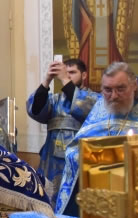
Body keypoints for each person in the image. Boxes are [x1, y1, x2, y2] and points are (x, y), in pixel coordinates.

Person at [56, 61, 138, 215]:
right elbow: (73, 151)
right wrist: (92, 157)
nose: (114, 96)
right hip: (100, 197)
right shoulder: (100, 108)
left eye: (120, 89)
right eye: (107, 90)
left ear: (134, 85)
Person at [26, 58, 99, 204]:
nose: (68, 76)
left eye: (72, 72)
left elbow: (86, 109)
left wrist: (65, 79)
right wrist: (47, 80)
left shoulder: (95, 99)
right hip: (51, 162)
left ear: (84, 75)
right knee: (47, 201)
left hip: (80, 161)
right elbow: (35, 109)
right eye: (66, 73)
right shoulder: (54, 100)